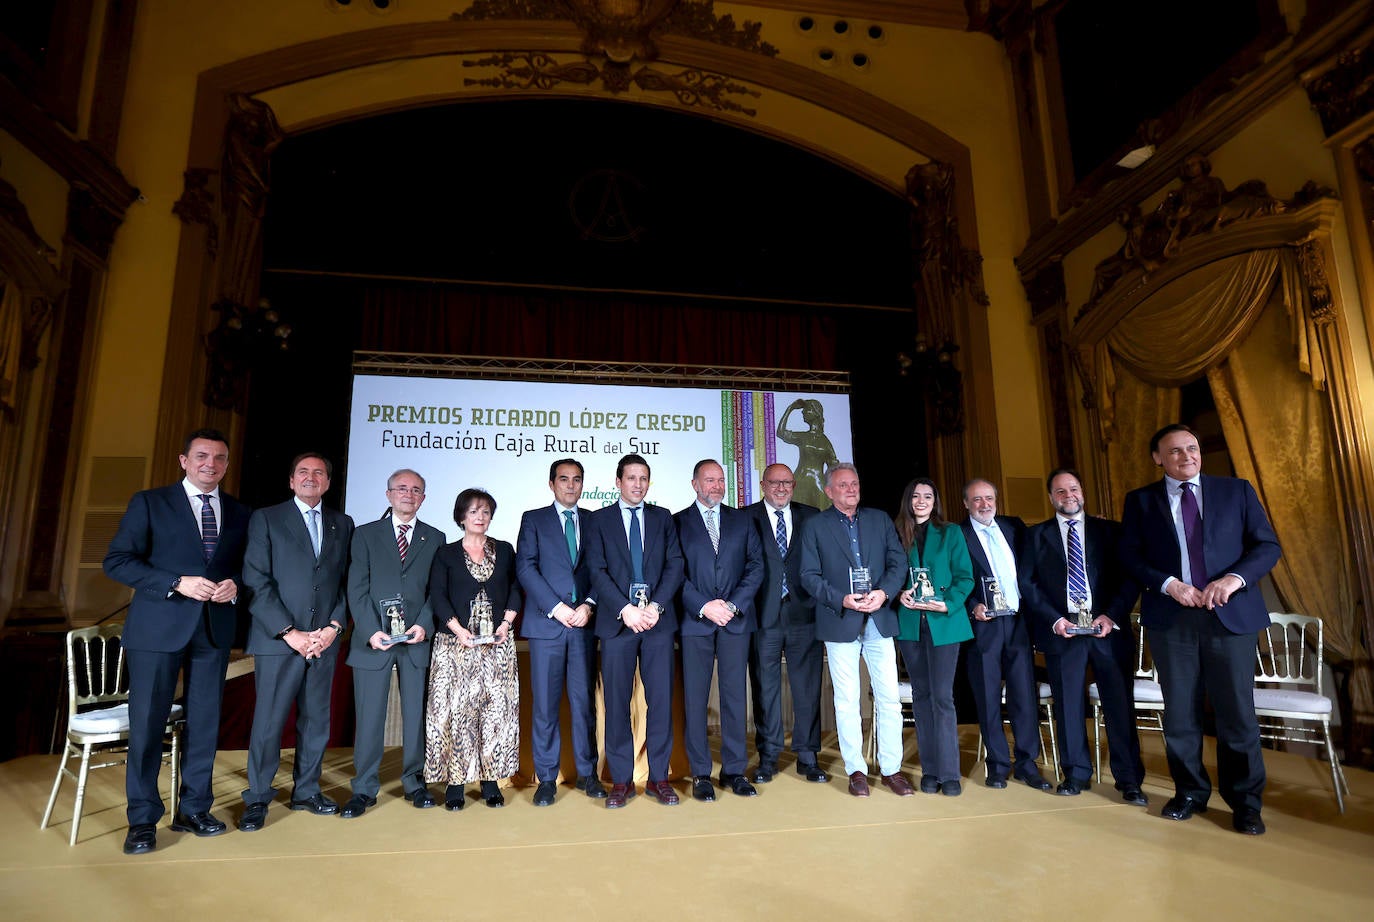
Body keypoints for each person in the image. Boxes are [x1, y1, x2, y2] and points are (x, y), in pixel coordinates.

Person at [1120, 424, 1281, 835]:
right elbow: (1131, 557)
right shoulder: (1139, 502)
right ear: (1158, 458)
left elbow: (1266, 546)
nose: (1186, 456)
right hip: (1172, 620)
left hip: (1231, 617)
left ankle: (1245, 804)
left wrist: (1234, 580)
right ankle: (1189, 793)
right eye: (1174, 451)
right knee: (1180, 714)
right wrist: (1169, 584)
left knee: (1237, 715)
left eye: (1192, 448)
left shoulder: (1236, 491)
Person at [104, 428, 250, 855]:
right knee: (148, 725)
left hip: (214, 630)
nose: (211, 464)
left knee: (204, 724)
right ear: (183, 461)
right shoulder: (149, 502)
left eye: (220, 458)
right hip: (156, 630)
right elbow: (116, 561)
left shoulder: (241, 512)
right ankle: (143, 820)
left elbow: (247, 569)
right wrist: (175, 583)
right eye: (202, 456)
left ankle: (194, 809)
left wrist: (234, 587)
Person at [239, 453, 355, 831]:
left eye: (319, 472)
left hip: (323, 642)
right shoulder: (267, 519)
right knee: (269, 723)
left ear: (328, 482)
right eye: (303, 472)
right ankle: (257, 797)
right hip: (280, 641)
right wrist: (290, 633)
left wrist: (334, 626)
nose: (311, 477)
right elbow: (256, 581)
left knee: (316, 721)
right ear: (291, 481)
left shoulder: (342, 523)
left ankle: (306, 791)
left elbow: (343, 583)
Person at [1020, 469, 1146, 804]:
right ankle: (1075, 773)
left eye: (1073, 489)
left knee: (1119, 707)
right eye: (1060, 492)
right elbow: (1028, 585)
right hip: (1064, 632)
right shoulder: (1035, 537)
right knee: (1068, 707)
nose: (1068, 496)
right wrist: (1055, 619)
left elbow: (1130, 578)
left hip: (1108, 631)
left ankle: (1129, 780)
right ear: (1051, 498)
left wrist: (1112, 615)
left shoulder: (1111, 532)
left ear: (1083, 492)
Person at [798, 463, 914, 798]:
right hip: (840, 620)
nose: (851, 489)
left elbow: (898, 563)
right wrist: (842, 600)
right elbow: (808, 575)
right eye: (843, 485)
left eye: (855, 484)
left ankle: (891, 769)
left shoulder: (879, 519)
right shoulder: (815, 526)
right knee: (847, 700)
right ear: (829, 491)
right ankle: (856, 771)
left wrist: (884, 593)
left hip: (879, 618)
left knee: (890, 698)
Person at [341, 469, 443, 818]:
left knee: (417, 716)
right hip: (374, 641)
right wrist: (370, 630)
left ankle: (415, 782)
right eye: (401, 488)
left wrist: (425, 625)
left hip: (416, 641)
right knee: (369, 716)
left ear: (423, 498)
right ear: (388, 495)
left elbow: (437, 592)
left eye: (416, 489)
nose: (408, 494)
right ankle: (364, 787)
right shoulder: (365, 534)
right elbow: (356, 586)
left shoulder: (436, 537)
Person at [585, 453, 685, 808]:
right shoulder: (598, 521)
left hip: (657, 624)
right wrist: (625, 609)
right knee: (616, 704)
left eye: (644, 478)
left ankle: (659, 778)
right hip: (618, 624)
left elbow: (676, 565)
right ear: (618, 481)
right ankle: (622, 781)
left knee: (660, 703)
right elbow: (596, 570)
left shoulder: (663, 518)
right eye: (631, 478)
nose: (638, 484)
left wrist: (655, 607)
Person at [515, 458, 604, 806]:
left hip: (584, 624)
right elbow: (526, 567)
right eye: (564, 479)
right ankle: (547, 778)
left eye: (577, 479)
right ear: (551, 484)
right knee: (545, 708)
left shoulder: (595, 521)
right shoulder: (533, 519)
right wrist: (557, 607)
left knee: (584, 706)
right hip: (547, 625)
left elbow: (603, 568)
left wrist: (590, 604)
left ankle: (588, 774)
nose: (571, 485)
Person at [426, 488, 522, 811]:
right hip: (456, 646)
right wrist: (458, 629)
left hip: (497, 647)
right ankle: (455, 784)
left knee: (494, 713)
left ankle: (491, 782)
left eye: (484, 512)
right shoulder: (446, 554)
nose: (479, 518)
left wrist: (505, 625)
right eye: (473, 512)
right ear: (461, 517)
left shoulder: (506, 551)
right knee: (457, 713)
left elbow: (516, 589)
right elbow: (437, 595)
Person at [674, 459, 764, 801]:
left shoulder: (742, 520)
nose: (716, 486)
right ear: (694, 484)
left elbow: (756, 566)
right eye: (709, 480)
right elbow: (673, 573)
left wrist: (732, 605)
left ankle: (734, 771)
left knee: (734, 698)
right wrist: (703, 605)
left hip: (734, 620)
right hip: (695, 622)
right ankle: (700, 774)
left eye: (721, 480)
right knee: (695, 699)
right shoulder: (677, 522)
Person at [960, 478, 1052, 790]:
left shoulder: (1014, 526)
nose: (984, 505)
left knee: (1024, 695)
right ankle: (998, 765)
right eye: (976, 500)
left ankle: (1028, 764)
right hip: (983, 624)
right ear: (966, 504)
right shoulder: (958, 534)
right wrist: (973, 605)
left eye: (989, 498)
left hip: (1018, 621)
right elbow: (955, 577)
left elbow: (1039, 557)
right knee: (987, 697)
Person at [746, 463, 827, 784]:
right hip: (763, 615)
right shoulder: (745, 517)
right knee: (765, 688)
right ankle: (768, 756)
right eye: (774, 483)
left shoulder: (812, 516)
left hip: (804, 614)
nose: (781, 488)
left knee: (807, 687)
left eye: (787, 482)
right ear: (763, 485)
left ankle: (808, 756)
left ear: (794, 485)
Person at [893, 478, 974, 796]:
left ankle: (950, 773)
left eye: (928, 496)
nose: (921, 501)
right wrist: (899, 593)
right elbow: (890, 571)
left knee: (942, 697)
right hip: (911, 623)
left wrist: (948, 602)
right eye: (916, 496)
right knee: (922, 698)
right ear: (908, 500)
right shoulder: (897, 531)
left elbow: (965, 576)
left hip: (945, 622)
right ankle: (931, 771)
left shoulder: (951, 532)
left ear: (935, 500)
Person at [778, 398, 839, 509]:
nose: (803, 412)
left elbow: (834, 468)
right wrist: (790, 409)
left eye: (807, 410)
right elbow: (781, 432)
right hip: (799, 481)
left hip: (818, 484)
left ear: (815, 413)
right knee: (796, 517)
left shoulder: (826, 443)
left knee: (822, 515)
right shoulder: (803, 437)